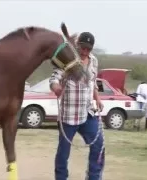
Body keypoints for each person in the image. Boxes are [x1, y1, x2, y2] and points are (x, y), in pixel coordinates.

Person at [49, 32, 105, 180]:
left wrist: (97, 99)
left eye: (88, 49)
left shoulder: (93, 61)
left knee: (99, 145)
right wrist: (56, 88)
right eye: (82, 47)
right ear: (77, 45)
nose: (85, 51)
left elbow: (93, 83)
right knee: (63, 152)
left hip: (87, 113)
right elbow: (54, 77)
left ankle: (93, 177)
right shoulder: (67, 59)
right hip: (69, 115)